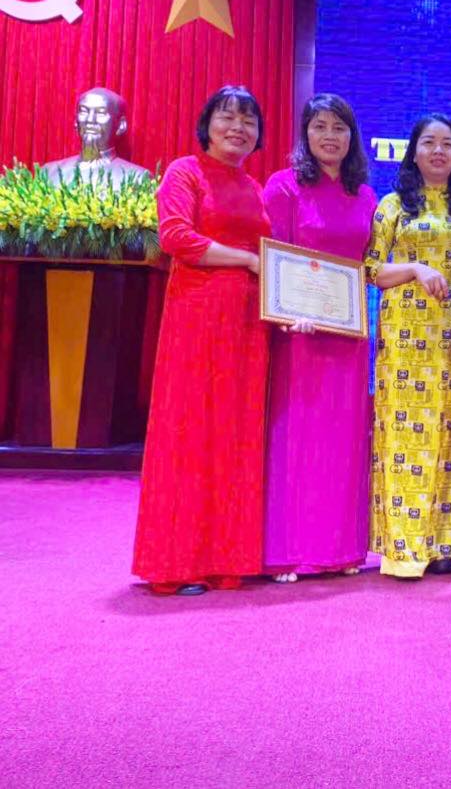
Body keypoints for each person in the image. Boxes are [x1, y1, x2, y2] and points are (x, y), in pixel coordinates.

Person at [132, 85, 270, 596]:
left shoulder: (255, 188)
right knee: (189, 432)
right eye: (227, 117)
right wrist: (248, 259)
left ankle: (226, 559)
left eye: (248, 120)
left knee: (235, 435)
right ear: (207, 125)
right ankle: (177, 563)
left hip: (248, 326)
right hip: (196, 319)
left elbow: (273, 257)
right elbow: (176, 237)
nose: (238, 127)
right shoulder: (184, 172)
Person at [365, 113, 451, 579]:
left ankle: (443, 543)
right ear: (413, 152)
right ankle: (404, 547)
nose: (438, 151)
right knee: (405, 435)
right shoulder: (393, 206)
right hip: (405, 338)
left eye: (448, 144)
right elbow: (371, 269)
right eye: (429, 143)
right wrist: (415, 269)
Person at [262, 94, 377, 583]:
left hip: (347, 337)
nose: (330, 136)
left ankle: (339, 549)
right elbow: (274, 255)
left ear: (352, 137)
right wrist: (289, 313)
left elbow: (368, 266)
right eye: (320, 127)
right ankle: (288, 551)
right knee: (297, 437)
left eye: (339, 128)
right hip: (299, 334)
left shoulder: (365, 195)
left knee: (342, 440)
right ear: (305, 134)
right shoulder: (284, 186)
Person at [42, 86, 150, 188]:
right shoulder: (49, 172)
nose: (90, 120)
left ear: (121, 125)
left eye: (100, 113)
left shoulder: (138, 178)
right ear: (75, 122)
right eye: (84, 111)